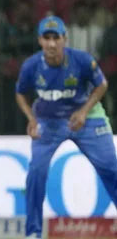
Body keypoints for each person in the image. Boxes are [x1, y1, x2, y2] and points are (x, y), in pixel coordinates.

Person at [15, 16, 116, 239]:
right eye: (47, 38)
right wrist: (31, 118)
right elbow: (20, 93)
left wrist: (84, 111)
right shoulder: (31, 66)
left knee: (112, 170)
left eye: (56, 38)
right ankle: (33, 232)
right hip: (47, 122)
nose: (52, 44)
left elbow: (102, 84)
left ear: (64, 39)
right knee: (36, 172)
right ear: (40, 41)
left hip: (86, 118)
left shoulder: (81, 60)